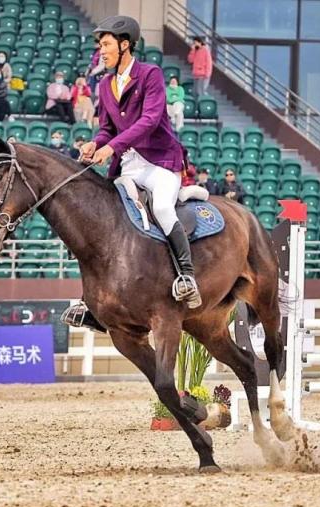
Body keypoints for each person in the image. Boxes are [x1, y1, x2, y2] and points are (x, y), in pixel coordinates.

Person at [70, 14, 201, 327]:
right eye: (101, 46)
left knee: (163, 208)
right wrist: (95, 143)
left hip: (160, 162)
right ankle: (92, 302)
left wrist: (110, 148)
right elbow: (107, 128)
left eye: (106, 44)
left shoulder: (150, 74)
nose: (101, 51)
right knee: (102, 219)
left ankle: (187, 276)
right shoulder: (105, 85)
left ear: (124, 44)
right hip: (128, 166)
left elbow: (149, 121)